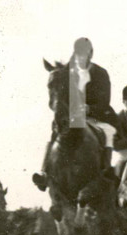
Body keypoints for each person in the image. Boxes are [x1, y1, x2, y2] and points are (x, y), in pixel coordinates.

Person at [33, 37, 121, 190]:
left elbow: (105, 101)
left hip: (96, 117)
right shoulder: (68, 73)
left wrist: (89, 109)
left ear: (91, 54)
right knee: (55, 130)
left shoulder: (101, 73)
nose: (81, 57)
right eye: (78, 54)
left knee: (109, 132)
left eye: (84, 54)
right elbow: (59, 96)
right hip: (73, 117)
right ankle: (45, 172)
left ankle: (106, 170)